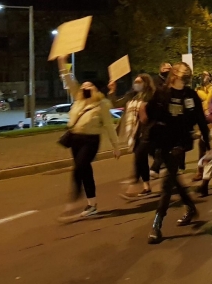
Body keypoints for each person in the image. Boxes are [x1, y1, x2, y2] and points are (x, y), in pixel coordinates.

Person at [145, 62, 209, 244]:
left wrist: (209, 143)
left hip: (180, 143)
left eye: (188, 78)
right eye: (183, 78)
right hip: (163, 141)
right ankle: (190, 207)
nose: (185, 82)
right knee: (173, 178)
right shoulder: (162, 93)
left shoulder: (191, 95)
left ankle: (157, 225)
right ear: (174, 76)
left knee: (167, 183)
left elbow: (200, 120)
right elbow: (150, 112)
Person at [56, 55, 121, 219]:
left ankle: (91, 204)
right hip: (75, 139)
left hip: (91, 140)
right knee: (78, 169)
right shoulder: (78, 99)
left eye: (89, 86)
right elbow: (69, 80)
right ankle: (79, 198)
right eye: (83, 86)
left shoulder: (102, 104)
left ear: (96, 89)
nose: (85, 88)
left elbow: (108, 126)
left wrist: (116, 146)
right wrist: (61, 63)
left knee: (82, 165)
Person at [108, 74, 156, 198]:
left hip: (147, 130)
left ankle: (135, 182)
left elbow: (153, 112)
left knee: (140, 156)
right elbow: (115, 103)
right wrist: (112, 90)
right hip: (134, 132)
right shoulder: (131, 95)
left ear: (145, 83)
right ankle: (146, 186)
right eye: (135, 82)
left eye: (139, 82)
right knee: (141, 158)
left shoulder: (151, 95)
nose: (136, 84)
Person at [193, 71, 212, 181]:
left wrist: (199, 92)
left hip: (211, 118)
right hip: (202, 118)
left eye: (206, 75)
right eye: (202, 75)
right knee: (204, 144)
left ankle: (200, 171)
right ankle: (201, 170)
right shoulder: (198, 89)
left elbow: (208, 98)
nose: (204, 77)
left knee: (206, 144)